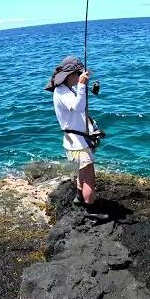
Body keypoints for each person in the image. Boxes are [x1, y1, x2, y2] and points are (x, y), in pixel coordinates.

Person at [45, 56, 99, 207]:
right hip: (77, 144)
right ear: (70, 75)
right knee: (90, 178)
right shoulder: (62, 92)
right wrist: (82, 85)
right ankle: (91, 210)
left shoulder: (67, 89)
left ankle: (80, 198)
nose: (80, 77)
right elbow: (78, 107)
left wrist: (82, 86)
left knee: (82, 171)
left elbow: (79, 105)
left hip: (77, 141)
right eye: (78, 74)